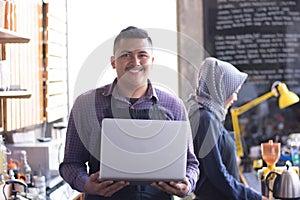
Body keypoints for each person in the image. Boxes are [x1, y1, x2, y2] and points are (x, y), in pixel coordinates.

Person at [59, 26, 199, 200]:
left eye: (142, 55)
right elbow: (71, 163)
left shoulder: (174, 105)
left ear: (152, 60)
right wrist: (86, 184)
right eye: (126, 55)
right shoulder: (86, 104)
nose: (135, 62)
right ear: (113, 62)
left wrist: (187, 185)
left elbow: (191, 164)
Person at [187, 57, 268, 200]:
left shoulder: (210, 116)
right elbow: (217, 173)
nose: (235, 98)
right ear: (221, 90)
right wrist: (255, 197)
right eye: (234, 91)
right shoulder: (206, 119)